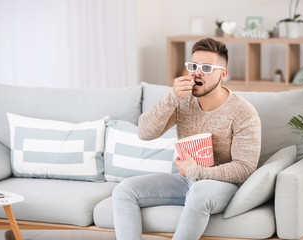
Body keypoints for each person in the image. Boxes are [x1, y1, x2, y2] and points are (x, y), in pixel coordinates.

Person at [112, 38, 261, 240]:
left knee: (199, 190)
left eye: (206, 68)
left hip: (222, 185)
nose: (197, 72)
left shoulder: (243, 112)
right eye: (193, 66)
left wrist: (195, 171)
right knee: (124, 190)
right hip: (186, 180)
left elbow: (244, 168)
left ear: (223, 74)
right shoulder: (183, 101)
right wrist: (172, 97)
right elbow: (145, 132)